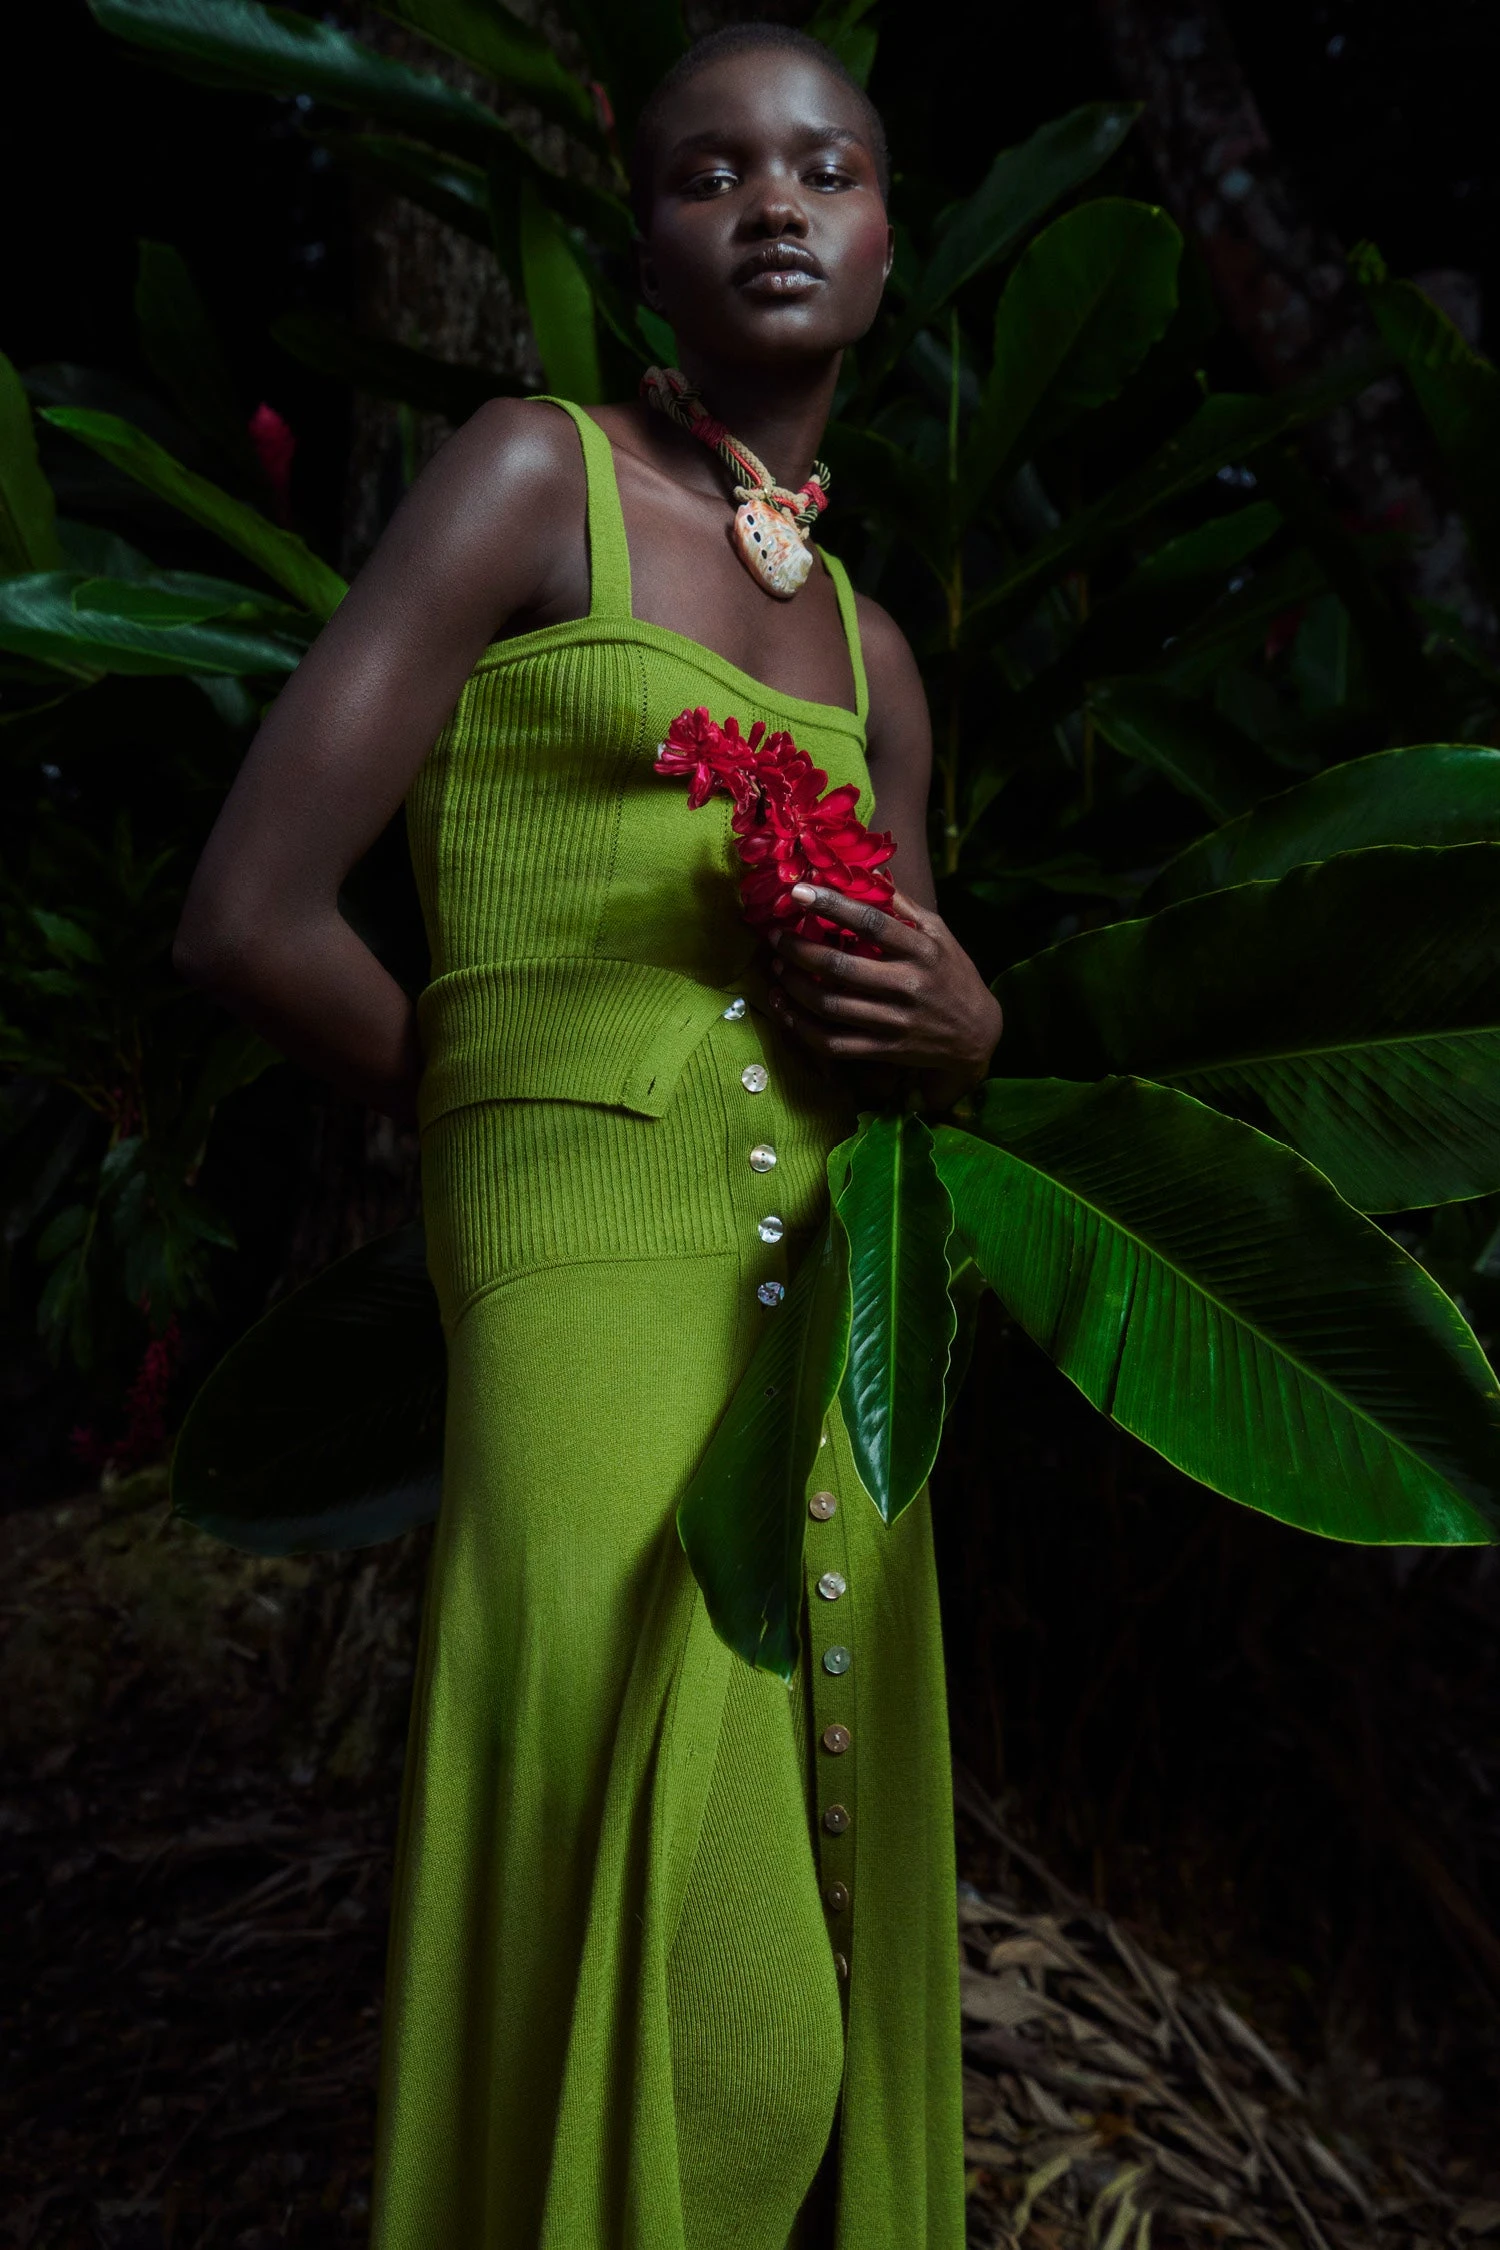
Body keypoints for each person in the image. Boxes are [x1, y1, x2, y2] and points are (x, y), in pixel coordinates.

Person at [175, 23, 1003, 2247]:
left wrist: (970, 1025)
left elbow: (914, 1019)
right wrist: (514, 1108)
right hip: (581, 1288)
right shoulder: (530, 478)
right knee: (715, 2012)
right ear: (644, 243)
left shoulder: (876, 654)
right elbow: (250, 914)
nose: (774, 204)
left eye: (825, 169)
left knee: (813, 1949)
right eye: (711, 173)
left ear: (887, 239)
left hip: (835, 1309)